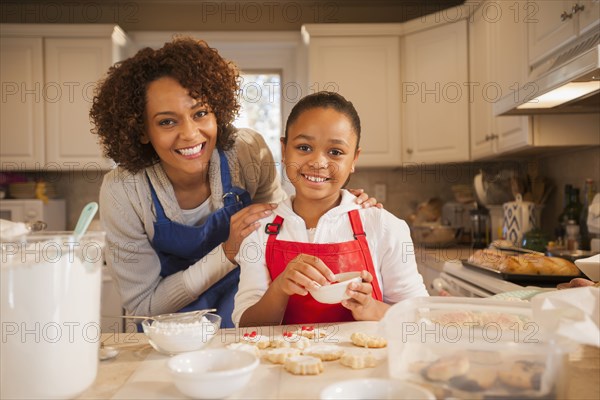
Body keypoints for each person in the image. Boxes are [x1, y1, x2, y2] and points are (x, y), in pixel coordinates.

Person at [90, 37, 379, 328]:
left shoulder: (247, 153)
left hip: (244, 322)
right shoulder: (124, 191)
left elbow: (281, 226)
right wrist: (227, 253)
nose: (190, 134)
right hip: (168, 333)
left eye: (200, 113)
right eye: (167, 121)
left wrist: (339, 204)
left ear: (217, 111)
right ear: (141, 130)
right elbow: (144, 304)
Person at [233, 92, 428, 327]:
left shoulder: (384, 226)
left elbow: (420, 318)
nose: (318, 162)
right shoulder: (259, 230)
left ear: (354, 159)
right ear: (284, 151)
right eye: (304, 147)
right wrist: (279, 288)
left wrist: (372, 308)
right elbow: (245, 327)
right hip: (286, 363)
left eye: (335, 152)